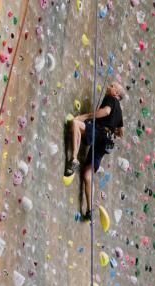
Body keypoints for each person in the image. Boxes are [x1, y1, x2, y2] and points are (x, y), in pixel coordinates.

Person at [64, 81, 123, 219]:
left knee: (76, 124)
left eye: (112, 86)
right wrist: (112, 126)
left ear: (117, 94)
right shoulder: (119, 112)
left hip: (100, 133)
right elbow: (121, 133)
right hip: (106, 143)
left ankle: (73, 159)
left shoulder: (111, 99)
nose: (109, 87)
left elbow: (106, 111)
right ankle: (90, 211)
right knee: (87, 174)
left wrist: (85, 116)